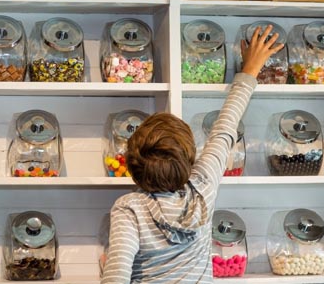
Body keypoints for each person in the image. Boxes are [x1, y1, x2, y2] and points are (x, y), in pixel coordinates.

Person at [100, 25, 284, 283]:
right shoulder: (202, 191)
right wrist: (250, 69)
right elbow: (225, 129)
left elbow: (115, 277)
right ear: (189, 160)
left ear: (131, 166)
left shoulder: (130, 209)